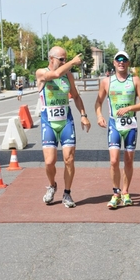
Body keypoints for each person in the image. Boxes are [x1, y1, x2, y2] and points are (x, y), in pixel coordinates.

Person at [36, 46, 91, 208]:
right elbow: (55, 75)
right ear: (51, 59)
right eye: (62, 59)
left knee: (69, 159)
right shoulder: (41, 73)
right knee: (49, 162)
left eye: (66, 59)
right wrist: (74, 62)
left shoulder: (68, 75)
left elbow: (75, 96)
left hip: (66, 121)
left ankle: (67, 193)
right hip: (49, 122)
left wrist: (83, 115)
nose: (65, 62)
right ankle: (52, 185)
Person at [95, 50, 140, 209]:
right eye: (118, 60)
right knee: (113, 161)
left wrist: (130, 107)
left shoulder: (135, 80)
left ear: (128, 63)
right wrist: (99, 116)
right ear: (114, 63)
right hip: (114, 124)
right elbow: (98, 103)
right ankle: (116, 193)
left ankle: (125, 192)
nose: (121, 62)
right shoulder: (106, 82)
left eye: (124, 60)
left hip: (130, 124)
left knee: (128, 160)